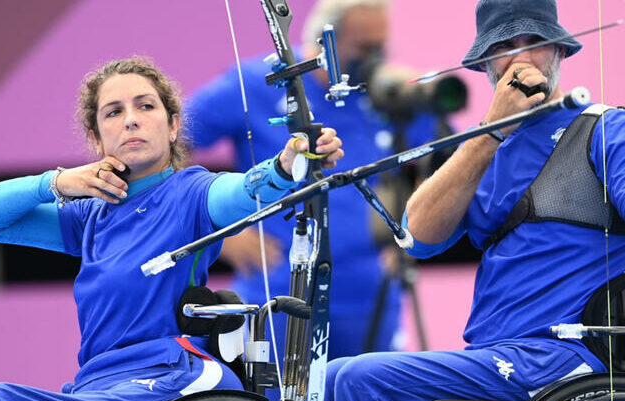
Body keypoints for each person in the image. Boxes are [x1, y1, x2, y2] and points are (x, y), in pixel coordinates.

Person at [0, 57, 343, 401]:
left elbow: (241, 192)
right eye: (113, 112)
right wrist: (56, 182)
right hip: (99, 385)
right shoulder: (89, 216)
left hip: (171, 375)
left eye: (145, 106)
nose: (130, 118)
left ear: (172, 126)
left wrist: (287, 167)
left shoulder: (192, 191)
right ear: (97, 139)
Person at [321, 0, 625, 401]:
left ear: (561, 52)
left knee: (356, 381)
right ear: (486, 63)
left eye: (536, 43)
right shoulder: (484, 149)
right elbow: (418, 237)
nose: (523, 59)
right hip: (495, 359)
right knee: (331, 383)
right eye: (506, 46)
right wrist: (491, 129)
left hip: (562, 359)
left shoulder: (609, 129)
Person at [187, 0, 443, 367]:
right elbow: (172, 144)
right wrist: (222, 234)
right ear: (325, 42)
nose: (374, 59)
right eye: (364, 47)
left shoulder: (383, 94)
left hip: (369, 293)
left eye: (380, 47)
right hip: (279, 292)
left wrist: (406, 232)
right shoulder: (257, 83)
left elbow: (437, 156)